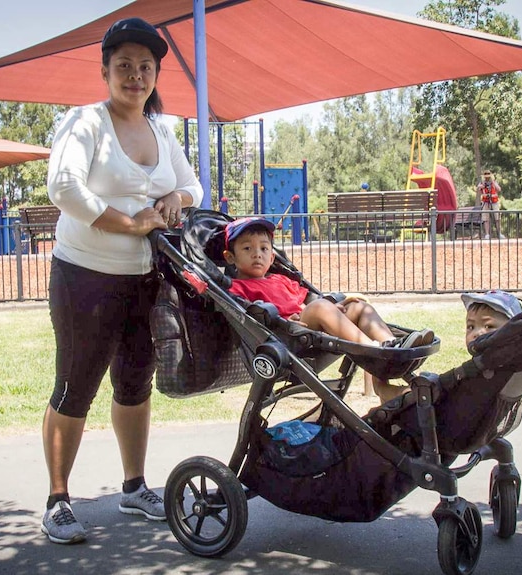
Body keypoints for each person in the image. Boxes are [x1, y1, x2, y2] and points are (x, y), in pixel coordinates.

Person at [40, 17, 204, 545]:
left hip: (145, 279)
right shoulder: (84, 122)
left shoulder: (162, 129)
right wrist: (130, 222)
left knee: (135, 383)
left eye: (146, 67)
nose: (136, 75)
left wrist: (175, 200)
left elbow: (193, 185)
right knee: (76, 385)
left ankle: (134, 487)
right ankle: (58, 500)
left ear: (155, 74)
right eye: (125, 65)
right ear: (106, 70)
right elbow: (63, 188)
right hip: (84, 277)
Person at [222, 217, 434, 399]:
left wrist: (336, 308)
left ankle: (388, 357)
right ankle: (376, 349)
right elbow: (250, 315)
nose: (257, 254)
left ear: (272, 257)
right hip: (287, 338)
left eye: (264, 248)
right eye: (247, 248)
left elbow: (307, 300)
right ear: (230, 257)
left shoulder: (281, 280)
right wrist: (297, 317)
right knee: (321, 307)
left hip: (314, 330)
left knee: (358, 306)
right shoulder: (237, 288)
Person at [373, 288, 522, 403]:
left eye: (489, 326)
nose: (477, 333)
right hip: (463, 414)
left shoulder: (489, 369)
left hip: (441, 416)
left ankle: (380, 388)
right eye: (471, 327)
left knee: (407, 395)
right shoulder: (510, 365)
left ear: (512, 333)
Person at [476, 170, 505, 239]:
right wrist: (481, 186)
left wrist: (493, 183)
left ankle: (499, 233)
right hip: (486, 201)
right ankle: (487, 234)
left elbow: (499, 189)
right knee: (486, 218)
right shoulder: (482, 183)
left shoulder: (494, 182)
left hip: (494, 201)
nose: (487, 178)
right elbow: (478, 188)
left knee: (497, 217)